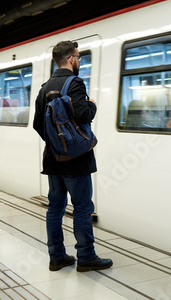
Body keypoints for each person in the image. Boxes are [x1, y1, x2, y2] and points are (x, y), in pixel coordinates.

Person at [33, 41, 112, 272]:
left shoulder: (44, 87)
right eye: (78, 57)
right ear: (71, 59)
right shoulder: (75, 82)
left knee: (55, 208)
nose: (79, 61)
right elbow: (83, 114)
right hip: (76, 161)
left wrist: (56, 144)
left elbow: (38, 124)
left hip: (52, 159)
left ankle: (57, 256)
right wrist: (92, 106)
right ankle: (86, 257)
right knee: (82, 208)